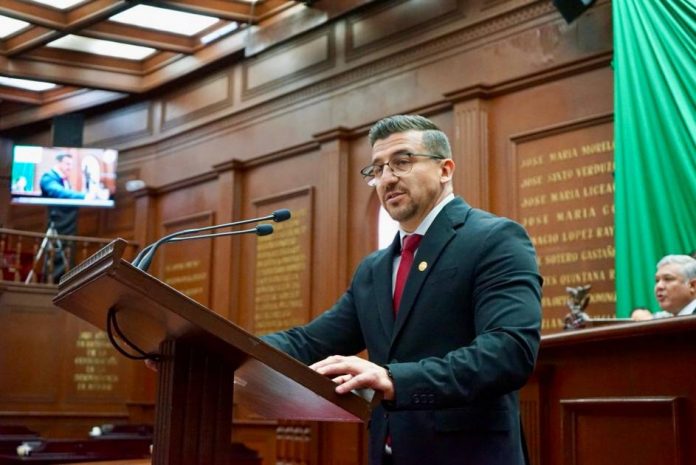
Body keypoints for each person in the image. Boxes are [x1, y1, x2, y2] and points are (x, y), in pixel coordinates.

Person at [262, 115, 542, 465]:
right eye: (377, 169)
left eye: (402, 162)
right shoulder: (374, 269)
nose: (387, 178)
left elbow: (508, 352)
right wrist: (228, 353)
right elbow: (310, 343)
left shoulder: (494, 239)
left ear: (445, 170)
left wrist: (396, 380)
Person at [631, 255, 696, 320]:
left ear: (692, 285)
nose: (659, 286)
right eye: (657, 280)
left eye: (668, 279)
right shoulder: (661, 319)